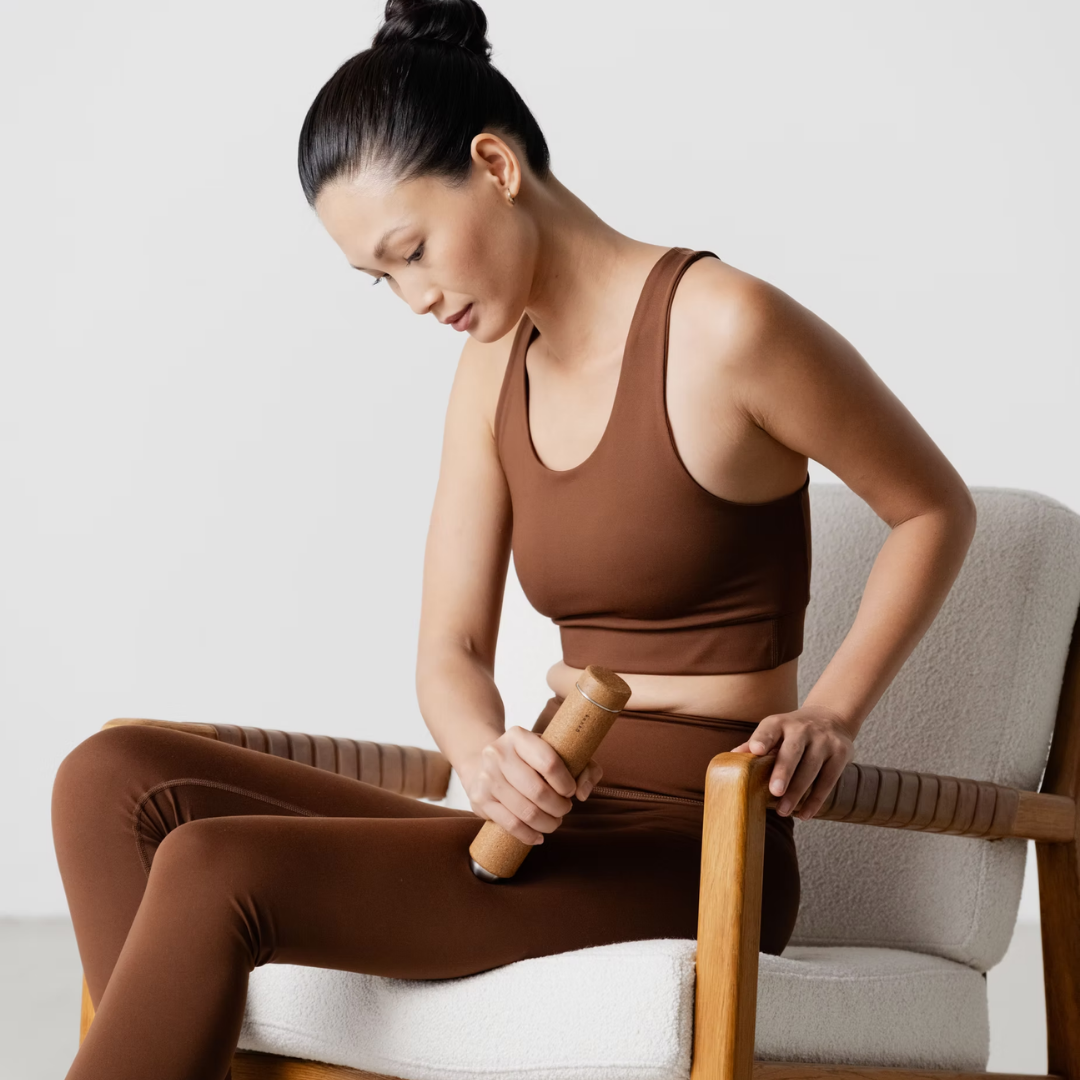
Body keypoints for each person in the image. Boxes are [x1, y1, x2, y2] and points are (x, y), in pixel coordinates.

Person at [51, 2, 978, 1078]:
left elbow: (931, 507)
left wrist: (834, 710)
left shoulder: (725, 328)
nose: (412, 299)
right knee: (109, 779)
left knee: (217, 867)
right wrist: (485, 756)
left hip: (694, 839)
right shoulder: (491, 366)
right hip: (544, 815)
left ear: (494, 165)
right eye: (380, 279)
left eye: (412, 252)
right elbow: (450, 652)